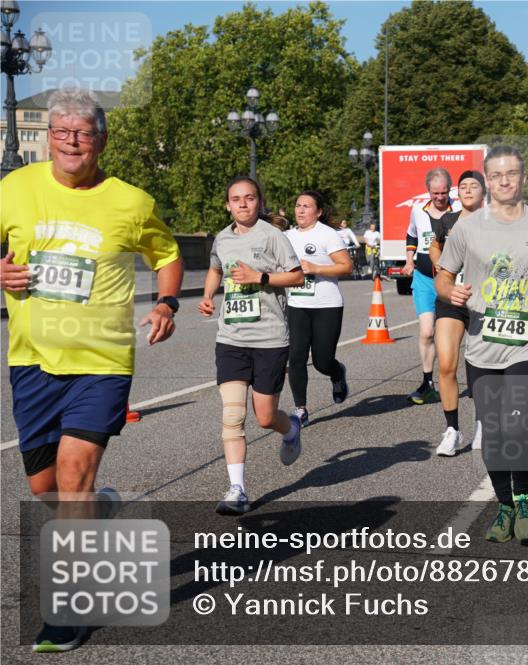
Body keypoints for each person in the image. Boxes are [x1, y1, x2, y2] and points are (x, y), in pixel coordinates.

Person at [0, 89, 183, 653]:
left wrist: (166, 303)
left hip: (101, 363)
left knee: (74, 474)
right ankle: (99, 512)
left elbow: (168, 254)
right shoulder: (13, 188)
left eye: (82, 133)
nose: (71, 142)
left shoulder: (130, 201)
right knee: (45, 486)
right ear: (48, 137)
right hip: (32, 360)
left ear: (101, 140)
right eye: (60, 132)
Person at [435, 145, 528, 544]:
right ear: (487, 181)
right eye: (496, 175)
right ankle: (505, 505)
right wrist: (449, 292)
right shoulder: (467, 228)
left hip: (526, 342)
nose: (504, 181)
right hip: (482, 345)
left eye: (511, 173)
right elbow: (444, 274)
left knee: (513, 423)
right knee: (493, 430)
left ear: (523, 177)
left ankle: (524, 496)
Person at [198, 176, 305, 516]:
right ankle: (237, 489)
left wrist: (260, 277)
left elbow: (297, 276)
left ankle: (291, 429)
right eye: (236, 199)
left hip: (270, 338)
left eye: (249, 198)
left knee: (265, 417)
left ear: (259, 202)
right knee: (233, 415)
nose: (243, 204)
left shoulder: (272, 236)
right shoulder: (222, 238)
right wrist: (207, 296)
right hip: (231, 337)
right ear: (227, 205)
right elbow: (215, 269)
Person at [429, 170, 486, 456]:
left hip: (483, 303)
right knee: (446, 364)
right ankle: (452, 430)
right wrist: (442, 265)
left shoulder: (495, 222)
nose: (467, 190)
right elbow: (434, 246)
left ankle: (482, 423)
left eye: (473, 185)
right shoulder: (447, 221)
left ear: (484, 192)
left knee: (481, 368)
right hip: (451, 299)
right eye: (463, 186)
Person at [284, 190, 353, 427]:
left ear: (319, 212)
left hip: (327, 305)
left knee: (322, 361)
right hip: (297, 304)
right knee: (296, 357)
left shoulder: (327, 235)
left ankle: (337, 373)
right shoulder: (287, 236)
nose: (301, 210)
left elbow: (346, 267)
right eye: (298, 205)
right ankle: (300, 409)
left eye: (307, 206)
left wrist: (316, 268)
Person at [404, 167, 459, 405]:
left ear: (449, 190)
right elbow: (411, 236)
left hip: (452, 280)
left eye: (444, 192)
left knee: (455, 335)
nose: (439, 197)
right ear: (428, 191)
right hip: (424, 278)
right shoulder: (418, 210)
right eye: (435, 193)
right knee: (427, 332)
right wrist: (409, 260)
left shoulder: (459, 210)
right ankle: (427, 383)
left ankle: (469, 376)